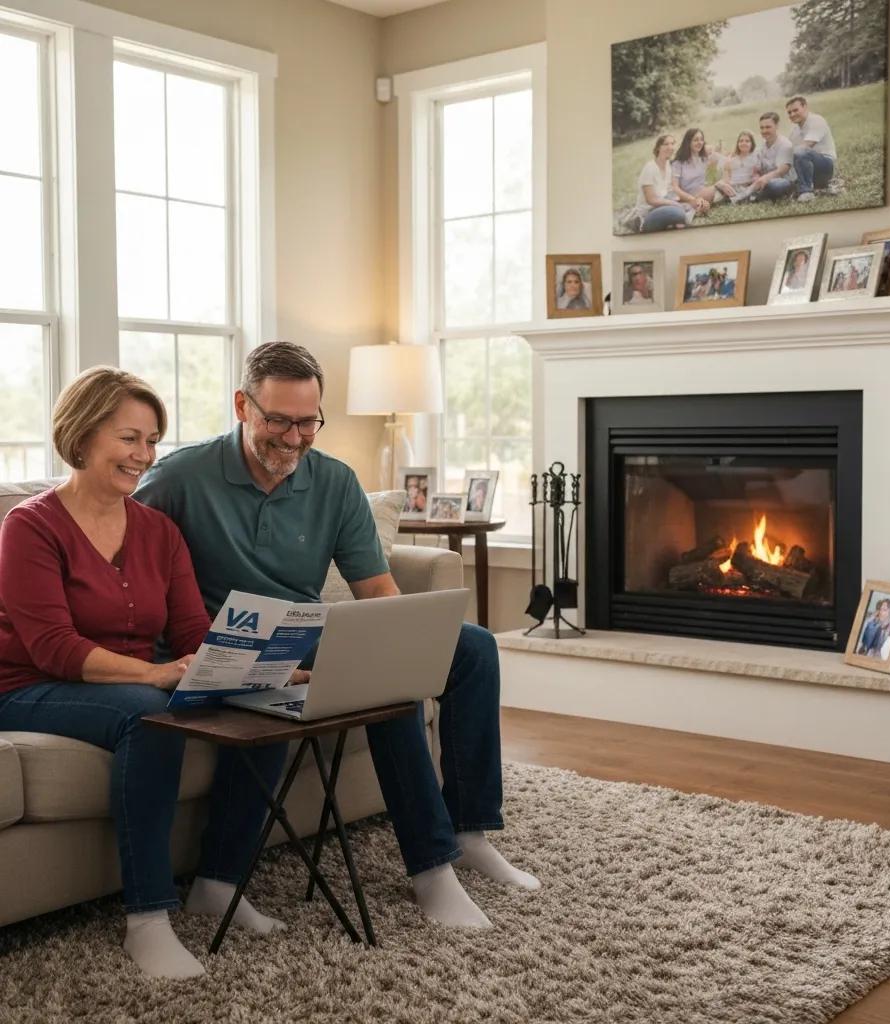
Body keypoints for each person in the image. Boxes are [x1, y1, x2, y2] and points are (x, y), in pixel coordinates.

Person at [134, 342, 540, 932]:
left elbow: (375, 589)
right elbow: (133, 570)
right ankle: (431, 871)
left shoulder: (334, 481)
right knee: (383, 687)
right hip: (226, 644)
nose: (294, 439)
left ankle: (468, 831)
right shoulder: (178, 479)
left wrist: (400, 640)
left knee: (472, 646)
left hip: (307, 631)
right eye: (278, 420)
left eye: (308, 422)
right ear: (242, 405)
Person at [0, 367, 288, 981]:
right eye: (129, 438)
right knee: (147, 714)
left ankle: (219, 882)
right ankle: (148, 920)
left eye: (152, 440)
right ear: (82, 435)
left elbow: (190, 631)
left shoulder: (159, 530)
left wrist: (262, 661)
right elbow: (52, 647)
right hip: (28, 687)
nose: (144, 456)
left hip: (131, 681)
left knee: (262, 702)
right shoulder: (29, 526)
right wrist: (158, 676)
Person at [629, 134, 694, 233]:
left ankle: (675, 224)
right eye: (666, 144)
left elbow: (671, 191)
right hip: (648, 213)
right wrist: (675, 204)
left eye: (672, 144)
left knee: (689, 207)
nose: (670, 147)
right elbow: (651, 200)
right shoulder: (649, 168)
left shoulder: (668, 166)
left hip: (661, 206)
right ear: (658, 148)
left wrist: (692, 201)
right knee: (679, 213)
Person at [786, 95, 838, 203]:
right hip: (808, 169)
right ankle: (805, 186)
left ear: (805, 107)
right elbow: (789, 155)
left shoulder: (817, 121)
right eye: (789, 112)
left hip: (825, 166)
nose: (792, 114)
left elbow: (805, 147)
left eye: (795, 110)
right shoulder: (794, 131)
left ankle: (806, 192)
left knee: (800, 151)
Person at [749, 111, 795, 203]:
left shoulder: (785, 144)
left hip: (784, 181)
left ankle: (756, 197)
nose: (764, 131)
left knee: (776, 185)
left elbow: (781, 171)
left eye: (768, 127)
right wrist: (756, 177)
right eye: (762, 128)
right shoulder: (760, 145)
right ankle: (756, 194)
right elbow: (756, 169)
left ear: (777, 126)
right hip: (764, 181)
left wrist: (764, 179)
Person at [671, 128, 719, 214]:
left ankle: (700, 206)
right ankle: (695, 206)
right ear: (688, 142)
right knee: (716, 189)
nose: (700, 142)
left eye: (701, 140)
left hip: (703, 193)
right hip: (687, 196)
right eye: (696, 140)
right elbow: (675, 188)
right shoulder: (678, 163)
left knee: (722, 186)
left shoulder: (703, 159)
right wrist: (692, 199)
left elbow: (716, 162)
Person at [715, 131, 759, 203]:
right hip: (733, 186)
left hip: (747, 186)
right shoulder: (732, 159)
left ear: (752, 144)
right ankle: (735, 197)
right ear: (738, 144)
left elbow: (756, 174)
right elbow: (726, 177)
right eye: (741, 141)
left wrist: (755, 178)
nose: (744, 143)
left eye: (747, 141)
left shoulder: (754, 158)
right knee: (719, 184)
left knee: (757, 183)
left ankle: (739, 197)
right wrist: (725, 185)